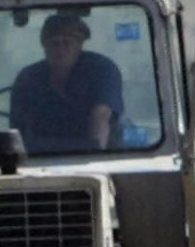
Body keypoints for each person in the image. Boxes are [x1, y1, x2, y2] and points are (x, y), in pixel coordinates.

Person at [7, 13, 123, 152]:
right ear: (44, 45)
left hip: (91, 155)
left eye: (67, 43)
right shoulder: (28, 78)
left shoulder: (101, 69)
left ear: (79, 44)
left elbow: (101, 116)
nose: (60, 50)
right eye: (54, 43)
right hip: (39, 157)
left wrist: (95, 153)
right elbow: (17, 131)